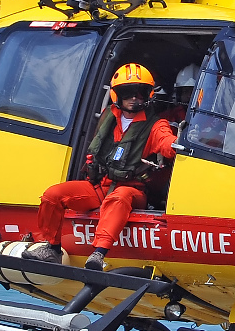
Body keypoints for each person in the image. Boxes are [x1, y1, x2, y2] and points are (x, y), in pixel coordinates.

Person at [26, 63, 178, 271]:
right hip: (100, 185)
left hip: (132, 188)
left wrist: (177, 147)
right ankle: (51, 248)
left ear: (148, 95)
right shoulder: (109, 116)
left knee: (118, 198)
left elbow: (166, 141)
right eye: (128, 92)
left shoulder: (156, 124)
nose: (134, 98)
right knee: (53, 195)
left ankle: (98, 253)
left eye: (140, 93)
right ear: (117, 95)